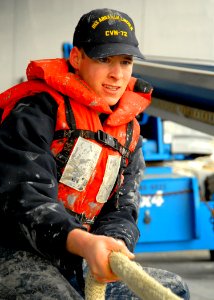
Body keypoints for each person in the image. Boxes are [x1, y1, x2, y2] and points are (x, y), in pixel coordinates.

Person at [0, 8, 189, 300]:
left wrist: (111, 246)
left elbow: (122, 209)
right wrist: (82, 242)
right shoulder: (36, 112)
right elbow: (24, 198)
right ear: (77, 58)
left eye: (125, 62)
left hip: (77, 255)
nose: (117, 74)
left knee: (174, 288)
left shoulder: (129, 134)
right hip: (13, 249)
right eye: (104, 59)